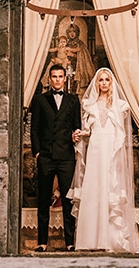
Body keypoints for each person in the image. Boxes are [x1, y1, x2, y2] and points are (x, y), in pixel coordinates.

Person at [68, 68, 139, 253]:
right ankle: (90, 240)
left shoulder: (119, 106)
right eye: (101, 80)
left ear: (111, 83)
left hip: (110, 151)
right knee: (93, 189)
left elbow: (120, 133)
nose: (104, 83)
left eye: (107, 80)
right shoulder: (90, 104)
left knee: (109, 188)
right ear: (97, 83)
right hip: (95, 150)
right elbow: (91, 129)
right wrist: (82, 133)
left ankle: (108, 239)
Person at [30, 64, 81, 252]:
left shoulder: (73, 100)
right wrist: (37, 152)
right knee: (43, 200)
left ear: (64, 79)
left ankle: (70, 242)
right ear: (49, 79)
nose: (57, 79)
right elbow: (34, 129)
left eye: (60, 76)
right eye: (54, 76)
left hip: (66, 156)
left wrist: (76, 136)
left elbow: (77, 125)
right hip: (46, 156)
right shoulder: (40, 100)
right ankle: (42, 242)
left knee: (68, 201)